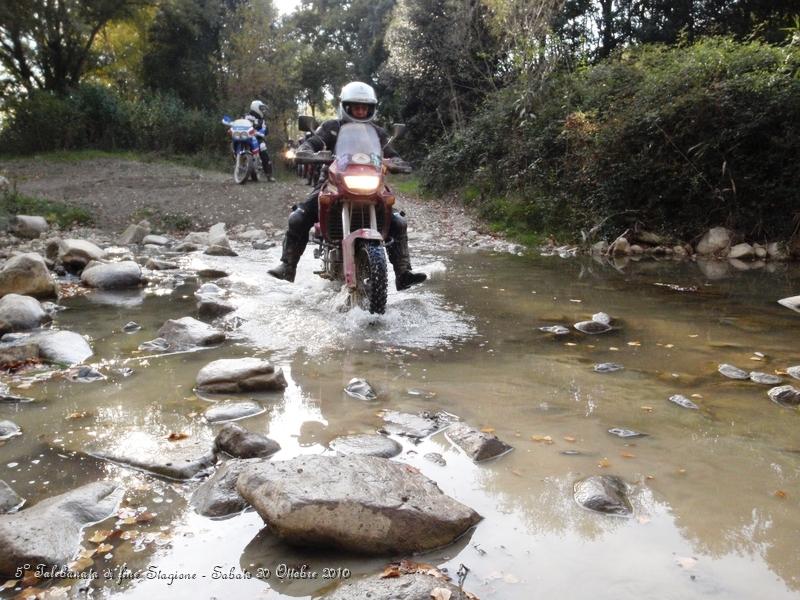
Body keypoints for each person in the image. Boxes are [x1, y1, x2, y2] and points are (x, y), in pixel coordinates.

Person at [267, 81, 427, 291]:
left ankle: (403, 273)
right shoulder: (331, 128)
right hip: (333, 183)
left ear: (371, 109)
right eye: (355, 107)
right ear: (346, 106)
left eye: (365, 107)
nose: (360, 111)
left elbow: (393, 155)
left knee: (397, 221)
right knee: (299, 217)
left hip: (371, 184)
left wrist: (398, 163)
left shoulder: (377, 133)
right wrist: (305, 151)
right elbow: (312, 143)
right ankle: (288, 266)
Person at [245, 100, 276, 182]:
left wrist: (259, 132)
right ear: (255, 107)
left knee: (263, 148)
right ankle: (244, 168)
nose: (263, 110)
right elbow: (241, 123)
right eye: (261, 108)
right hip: (247, 137)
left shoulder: (262, 121)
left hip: (258, 138)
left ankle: (269, 175)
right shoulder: (246, 117)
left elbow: (265, 130)